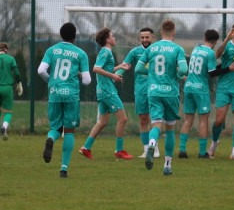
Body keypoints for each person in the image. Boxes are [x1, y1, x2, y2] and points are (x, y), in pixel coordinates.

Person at [38, 22, 91, 178]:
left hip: (54, 92)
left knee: (56, 128)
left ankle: (50, 139)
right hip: (71, 95)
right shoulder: (81, 54)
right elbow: (87, 80)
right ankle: (63, 169)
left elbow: (41, 70)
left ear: (61, 35)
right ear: (75, 36)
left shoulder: (51, 50)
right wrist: (78, 77)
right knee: (69, 130)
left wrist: (51, 81)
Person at [138, 19, 187, 175]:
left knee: (156, 124)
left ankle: (152, 143)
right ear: (174, 33)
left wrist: (151, 72)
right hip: (170, 93)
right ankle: (167, 165)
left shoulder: (152, 48)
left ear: (160, 32)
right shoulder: (177, 49)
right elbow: (184, 69)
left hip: (154, 91)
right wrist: (178, 73)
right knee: (170, 129)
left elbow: (138, 68)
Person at [79, 27, 134, 160]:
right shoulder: (106, 52)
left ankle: (86, 148)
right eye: (112, 36)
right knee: (123, 119)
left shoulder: (106, 52)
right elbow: (96, 68)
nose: (114, 38)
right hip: (108, 91)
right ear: (108, 39)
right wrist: (113, 76)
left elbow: (105, 69)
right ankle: (119, 150)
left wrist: (119, 67)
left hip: (102, 91)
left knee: (103, 122)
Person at [207, 22, 234, 159]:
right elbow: (216, 55)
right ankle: (214, 143)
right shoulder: (228, 45)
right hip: (224, 88)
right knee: (219, 120)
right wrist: (226, 39)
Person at [178, 29, 219, 159]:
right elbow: (212, 73)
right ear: (216, 42)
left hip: (189, 87)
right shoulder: (210, 53)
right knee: (203, 121)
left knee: (188, 120)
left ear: (204, 38)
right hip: (201, 89)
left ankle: (182, 150)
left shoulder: (196, 49)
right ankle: (202, 153)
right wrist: (227, 69)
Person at [120, 27, 158, 159]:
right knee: (143, 120)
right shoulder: (135, 52)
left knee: (155, 119)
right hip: (141, 91)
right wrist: (115, 75)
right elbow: (125, 65)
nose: (144, 40)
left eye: (147, 37)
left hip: (156, 89)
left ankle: (155, 147)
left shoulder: (157, 50)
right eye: (142, 37)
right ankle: (147, 150)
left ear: (152, 37)